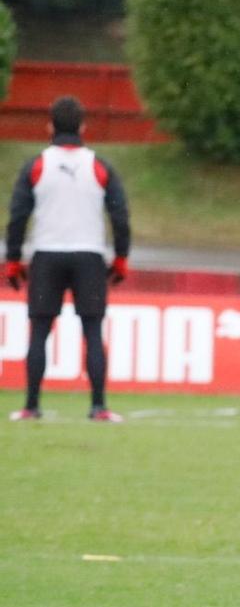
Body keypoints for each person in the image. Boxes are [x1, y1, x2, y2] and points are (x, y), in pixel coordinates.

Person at [6, 96, 132, 422]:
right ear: (83, 127)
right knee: (92, 331)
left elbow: (18, 215)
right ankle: (99, 407)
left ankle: (32, 406)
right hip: (88, 256)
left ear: (49, 126)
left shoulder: (37, 166)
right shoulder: (98, 166)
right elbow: (119, 215)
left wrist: (13, 258)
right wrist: (120, 258)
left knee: (40, 331)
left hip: (47, 255)